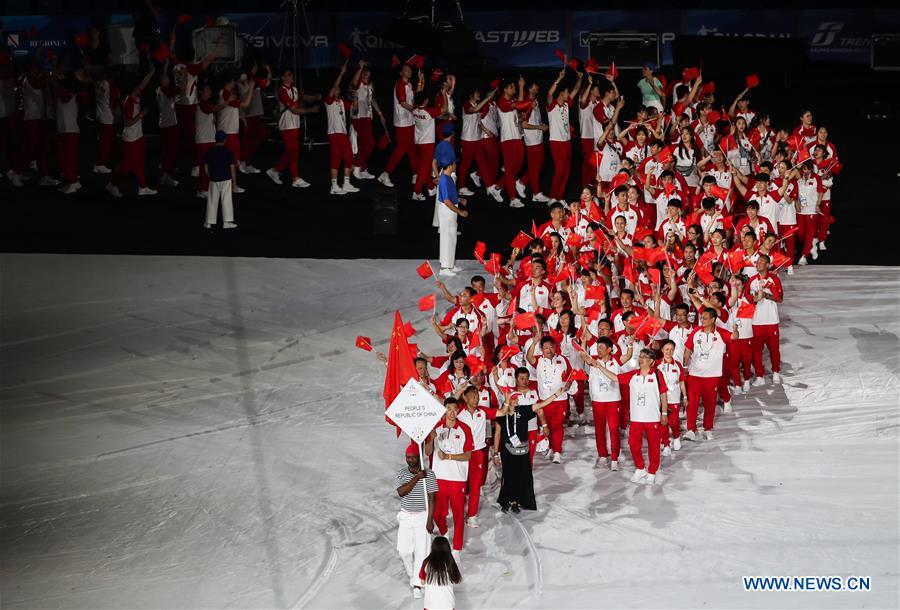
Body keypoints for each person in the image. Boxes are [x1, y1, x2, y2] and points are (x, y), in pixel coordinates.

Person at [492, 376, 554, 512]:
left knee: (523, 475)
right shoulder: (501, 414)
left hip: (522, 449)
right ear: (508, 399)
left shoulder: (523, 411)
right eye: (513, 398)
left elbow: (540, 405)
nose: (516, 400)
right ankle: (510, 500)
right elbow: (497, 434)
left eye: (517, 398)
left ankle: (521, 500)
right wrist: (496, 453)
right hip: (507, 450)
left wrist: (557, 394)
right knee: (509, 476)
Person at [425, 397, 473, 558]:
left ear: (458, 410)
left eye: (455, 409)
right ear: (444, 410)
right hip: (439, 478)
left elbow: (467, 456)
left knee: (459, 515)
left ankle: (457, 549)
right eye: (449, 409)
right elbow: (428, 452)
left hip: (457, 478)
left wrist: (449, 457)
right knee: (438, 513)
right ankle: (444, 534)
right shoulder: (436, 427)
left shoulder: (465, 429)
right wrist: (431, 438)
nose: (452, 412)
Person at [577, 336, 634, 470]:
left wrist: (630, 345)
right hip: (598, 401)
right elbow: (583, 355)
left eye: (602, 348)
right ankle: (602, 455)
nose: (599, 350)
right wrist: (583, 342)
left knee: (614, 430)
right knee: (600, 430)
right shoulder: (593, 361)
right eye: (598, 348)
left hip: (613, 401)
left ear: (610, 349)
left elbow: (629, 356)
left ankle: (614, 458)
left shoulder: (616, 361)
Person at [525, 330, 574, 463]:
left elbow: (571, 375)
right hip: (545, 400)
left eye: (551, 347)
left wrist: (569, 384)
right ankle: (551, 447)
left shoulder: (563, 359)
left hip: (561, 399)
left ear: (555, 347)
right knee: (548, 426)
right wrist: (534, 342)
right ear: (541, 349)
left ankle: (557, 451)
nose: (549, 350)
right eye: (545, 347)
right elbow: (529, 357)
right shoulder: (538, 361)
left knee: (557, 426)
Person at [106, 67, 156, 197]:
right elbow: (127, 122)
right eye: (137, 88)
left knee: (139, 162)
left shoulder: (135, 97)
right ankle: (113, 184)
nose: (139, 89)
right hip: (130, 138)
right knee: (128, 165)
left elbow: (143, 84)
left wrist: (151, 71)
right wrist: (141, 115)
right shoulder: (128, 102)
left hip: (137, 136)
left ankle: (142, 187)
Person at [396, 441, 437, 601]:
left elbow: (433, 499)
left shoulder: (430, 474)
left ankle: (417, 584)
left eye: (413, 457)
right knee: (403, 551)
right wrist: (417, 478)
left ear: (419, 458)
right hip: (406, 516)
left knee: (422, 551)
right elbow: (401, 492)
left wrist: (430, 519)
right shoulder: (402, 473)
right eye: (408, 457)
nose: (410, 459)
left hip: (422, 516)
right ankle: (413, 575)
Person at [682, 308, 730, 441]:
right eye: (701, 318)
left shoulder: (720, 333)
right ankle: (691, 429)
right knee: (692, 403)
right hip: (695, 374)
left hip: (712, 376)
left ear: (713, 320)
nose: (702, 320)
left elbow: (734, 337)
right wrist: (685, 366)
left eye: (705, 318)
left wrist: (736, 328)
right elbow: (687, 349)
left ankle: (708, 428)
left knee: (710, 404)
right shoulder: (696, 332)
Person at [267, 68, 320, 188]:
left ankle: (275, 170)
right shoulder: (281, 91)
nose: (291, 76)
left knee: (291, 150)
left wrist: (316, 97)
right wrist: (310, 110)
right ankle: (295, 178)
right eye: (288, 75)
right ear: (283, 78)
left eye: (291, 74)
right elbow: (294, 110)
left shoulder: (294, 89)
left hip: (294, 124)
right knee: (293, 151)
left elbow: (303, 96)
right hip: (287, 125)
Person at [378, 60, 422, 187]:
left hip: (410, 121)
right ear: (401, 72)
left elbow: (417, 96)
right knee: (401, 149)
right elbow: (403, 103)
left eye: (410, 70)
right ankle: (385, 174)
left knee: (412, 148)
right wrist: (416, 111)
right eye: (406, 70)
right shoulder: (400, 84)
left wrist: (420, 80)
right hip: (402, 122)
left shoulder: (409, 85)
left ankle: (415, 175)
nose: (409, 72)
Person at [746, 254, 783, 385]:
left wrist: (767, 294)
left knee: (774, 348)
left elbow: (780, 299)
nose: (758, 263)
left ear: (767, 265)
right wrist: (755, 297)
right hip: (756, 320)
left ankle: (776, 372)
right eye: (757, 261)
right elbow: (746, 298)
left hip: (771, 320)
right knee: (756, 350)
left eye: (761, 261)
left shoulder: (774, 279)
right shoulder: (751, 280)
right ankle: (760, 376)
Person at [324, 62, 360, 196]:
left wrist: (355, 97)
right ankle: (333, 186)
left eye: (339, 89)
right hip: (334, 134)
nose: (338, 90)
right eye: (336, 89)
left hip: (343, 134)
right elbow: (334, 88)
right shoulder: (329, 101)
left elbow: (354, 109)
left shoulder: (341, 101)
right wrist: (342, 73)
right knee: (336, 159)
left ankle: (346, 183)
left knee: (349, 158)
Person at [457, 386, 489, 528]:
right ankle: (458, 510)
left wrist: (507, 402)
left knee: (475, 486)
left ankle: (472, 515)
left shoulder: (482, 412)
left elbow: (500, 412)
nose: (476, 399)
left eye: (477, 396)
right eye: (473, 396)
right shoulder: (457, 412)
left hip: (477, 453)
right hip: (461, 453)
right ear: (465, 398)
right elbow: (445, 404)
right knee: (460, 484)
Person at [349, 60, 383, 180]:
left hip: (368, 116)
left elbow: (372, 100)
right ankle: (357, 166)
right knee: (370, 143)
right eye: (363, 71)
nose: (365, 74)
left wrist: (379, 113)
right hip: (358, 116)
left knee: (365, 144)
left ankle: (362, 168)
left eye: (367, 72)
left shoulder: (370, 84)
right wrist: (361, 67)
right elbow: (354, 83)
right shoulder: (357, 83)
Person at [436, 161, 468, 276]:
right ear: (449, 166)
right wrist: (460, 212)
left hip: (450, 210)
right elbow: (446, 201)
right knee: (446, 238)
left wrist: (459, 200)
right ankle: (444, 268)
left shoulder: (448, 178)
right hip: (446, 210)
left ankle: (450, 265)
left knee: (452, 238)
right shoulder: (444, 180)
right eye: (454, 164)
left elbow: (450, 196)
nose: (455, 166)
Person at [203, 130, 238, 230]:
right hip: (226, 179)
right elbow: (232, 169)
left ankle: (209, 222)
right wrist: (234, 184)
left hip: (214, 179)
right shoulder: (228, 152)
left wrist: (210, 175)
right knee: (226, 200)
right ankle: (227, 222)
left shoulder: (210, 151)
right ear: (224, 140)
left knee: (212, 201)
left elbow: (206, 166)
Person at [417, 536, 461, 609]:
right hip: (447, 605)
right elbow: (455, 580)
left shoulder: (426, 562)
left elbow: (422, 582)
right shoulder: (450, 562)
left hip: (430, 605)